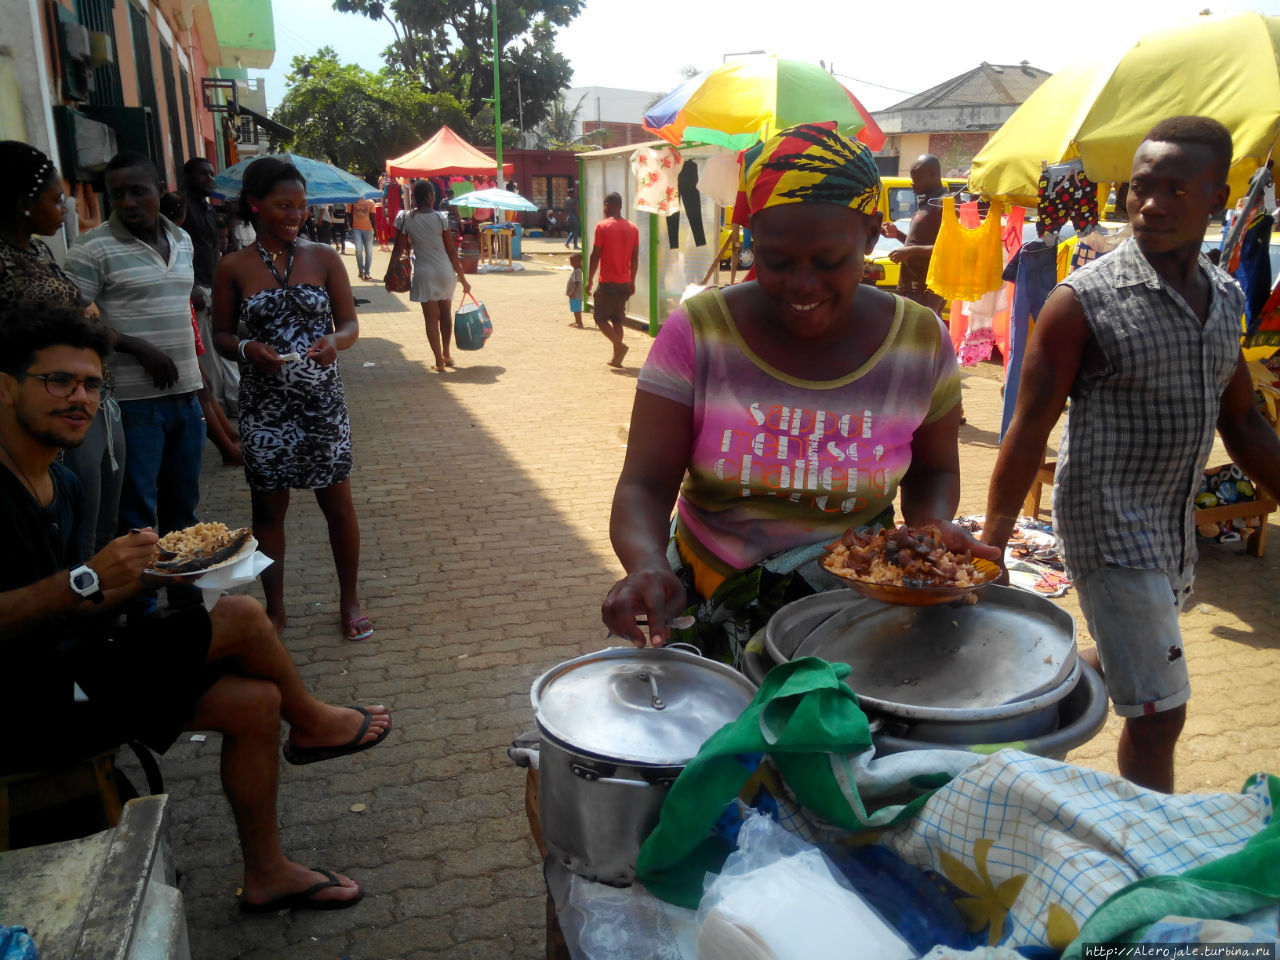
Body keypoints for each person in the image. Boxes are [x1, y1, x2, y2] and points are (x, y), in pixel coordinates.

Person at [0, 307, 392, 910]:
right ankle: (311, 723)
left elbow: (74, 609)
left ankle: (266, 874)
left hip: (72, 671)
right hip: (23, 709)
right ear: (5, 386)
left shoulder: (63, 482)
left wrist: (148, 575)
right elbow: (66, 596)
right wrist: (86, 580)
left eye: (91, 384)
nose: (79, 398)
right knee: (240, 617)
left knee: (256, 703)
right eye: (58, 381)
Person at [602, 123, 999, 652]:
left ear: (872, 235)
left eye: (829, 262)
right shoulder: (700, 333)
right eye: (776, 260)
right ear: (753, 241)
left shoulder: (918, 342)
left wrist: (929, 529)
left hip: (854, 624)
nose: (802, 285)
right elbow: (644, 486)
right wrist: (647, 567)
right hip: (704, 610)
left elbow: (935, 470)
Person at [981, 116, 1280, 794]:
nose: (1150, 204)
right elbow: (1028, 428)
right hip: (1107, 527)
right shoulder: (1081, 302)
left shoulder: (1224, 296)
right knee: (1160, 713)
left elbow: (1243, 419)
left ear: (1219, 196)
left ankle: (996, 728)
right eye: (1139, 188)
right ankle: (1149, 847)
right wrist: (992, 540)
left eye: (1176, 189)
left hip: (1171, 529)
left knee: (1124, 666)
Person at [212, 157, 372, 642]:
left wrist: (335, 343)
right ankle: (275, 609)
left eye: (302, 206)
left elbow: (349, 324)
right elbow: (219, 334)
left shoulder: (324, 258)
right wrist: (245, 348)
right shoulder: (233, 267)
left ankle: (350, 601)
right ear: (256, 206)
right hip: (265, 408)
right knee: (268, 513)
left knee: (338, 506)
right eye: (284, 205)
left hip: (321, 404)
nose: (295, 215)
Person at [64, 152, 203, 546]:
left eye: (138, 192)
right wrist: (135, 346)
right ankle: (140, 605)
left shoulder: (182, 239)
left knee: (183, 506)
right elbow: (71, 320)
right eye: (117, 194)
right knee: (137, 512)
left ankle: (184, 593)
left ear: (160, 191)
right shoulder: (92, 249)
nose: (128, 202)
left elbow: (178, 303)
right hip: (131, 402)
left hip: (186, 396)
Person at [0, 140, 127, 563]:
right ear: (23, 203)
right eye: (56, 200)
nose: (65, 210)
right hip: (53, 406)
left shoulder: (37, 250)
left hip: (93, 399)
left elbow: (81, 308)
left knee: (104, 513)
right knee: (76, 530)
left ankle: (107, 608)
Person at [158, 192, 243, 468]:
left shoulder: (181, 241)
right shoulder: (174, 241)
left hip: (186, 321)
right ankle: (227, 445)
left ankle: (229, 438)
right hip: (178, 325)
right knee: (200, 388)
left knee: (202, 385)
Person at [384, 180, 472, 373]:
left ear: (414, 196)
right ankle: (447, 354)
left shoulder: (406, 218)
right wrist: (463, 279)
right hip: (445, 272)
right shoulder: (441, 218)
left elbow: (398, 248)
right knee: (445, 313)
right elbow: (451, 251)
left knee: (431, 319)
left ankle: (438, 361)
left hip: (423, 272)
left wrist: (389, 273)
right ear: (431, 196)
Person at [182, 157, 241, 419]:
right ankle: (217, 405)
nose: (210, 179)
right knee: (209, 352)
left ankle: (234, 400)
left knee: (226, 347)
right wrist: (191, 287)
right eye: (203, 174)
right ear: (189, 177)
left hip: (214, 285)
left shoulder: (208, 210)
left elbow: (220, 246)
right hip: (197, 288)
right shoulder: (183, 208)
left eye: (211, 173)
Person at [881, 155, 947, 314]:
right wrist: (898, 235)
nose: (912, 182)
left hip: (926, 290)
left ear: (932, 173)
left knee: (920, 336)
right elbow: (918, 242)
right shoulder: (927, 202)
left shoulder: (945, 202)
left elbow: (948, 249)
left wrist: (911, 251)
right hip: (909, 286)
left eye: (916, 177)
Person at [585, 192, 638, 368]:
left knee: (600, 318)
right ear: (621, 206)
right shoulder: (632, 228)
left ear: (607, 205)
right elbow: (635, 258)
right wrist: (633, 280)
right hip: (624, 282)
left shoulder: (602, 226)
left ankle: (619, 346)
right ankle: (617, 359)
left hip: (608, 282)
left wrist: (590, 280)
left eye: (604, 205)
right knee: (617, 320)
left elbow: (595, 255)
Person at [349, 195, 376, 281]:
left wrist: (375, 230)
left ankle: (367, 272)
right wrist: (350, 227)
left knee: (369, 252)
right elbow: (348, 214)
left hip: (368, 229)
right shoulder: (352, 202)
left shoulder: (371, 202)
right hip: (356, 229)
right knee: (359, 250)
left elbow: (373, 217)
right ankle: (361, 270)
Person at [566, 251, 584, 328]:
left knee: (576, 309)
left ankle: (579, 323)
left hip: (575, 294)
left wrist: (573, 292)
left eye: (574, 261)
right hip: (575, 294)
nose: (572, 263)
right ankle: (577, 321)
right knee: (575, 308)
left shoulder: (577, 271)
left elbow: (577, 282)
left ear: (580, 262)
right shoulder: (576, 270)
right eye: (571, 262)